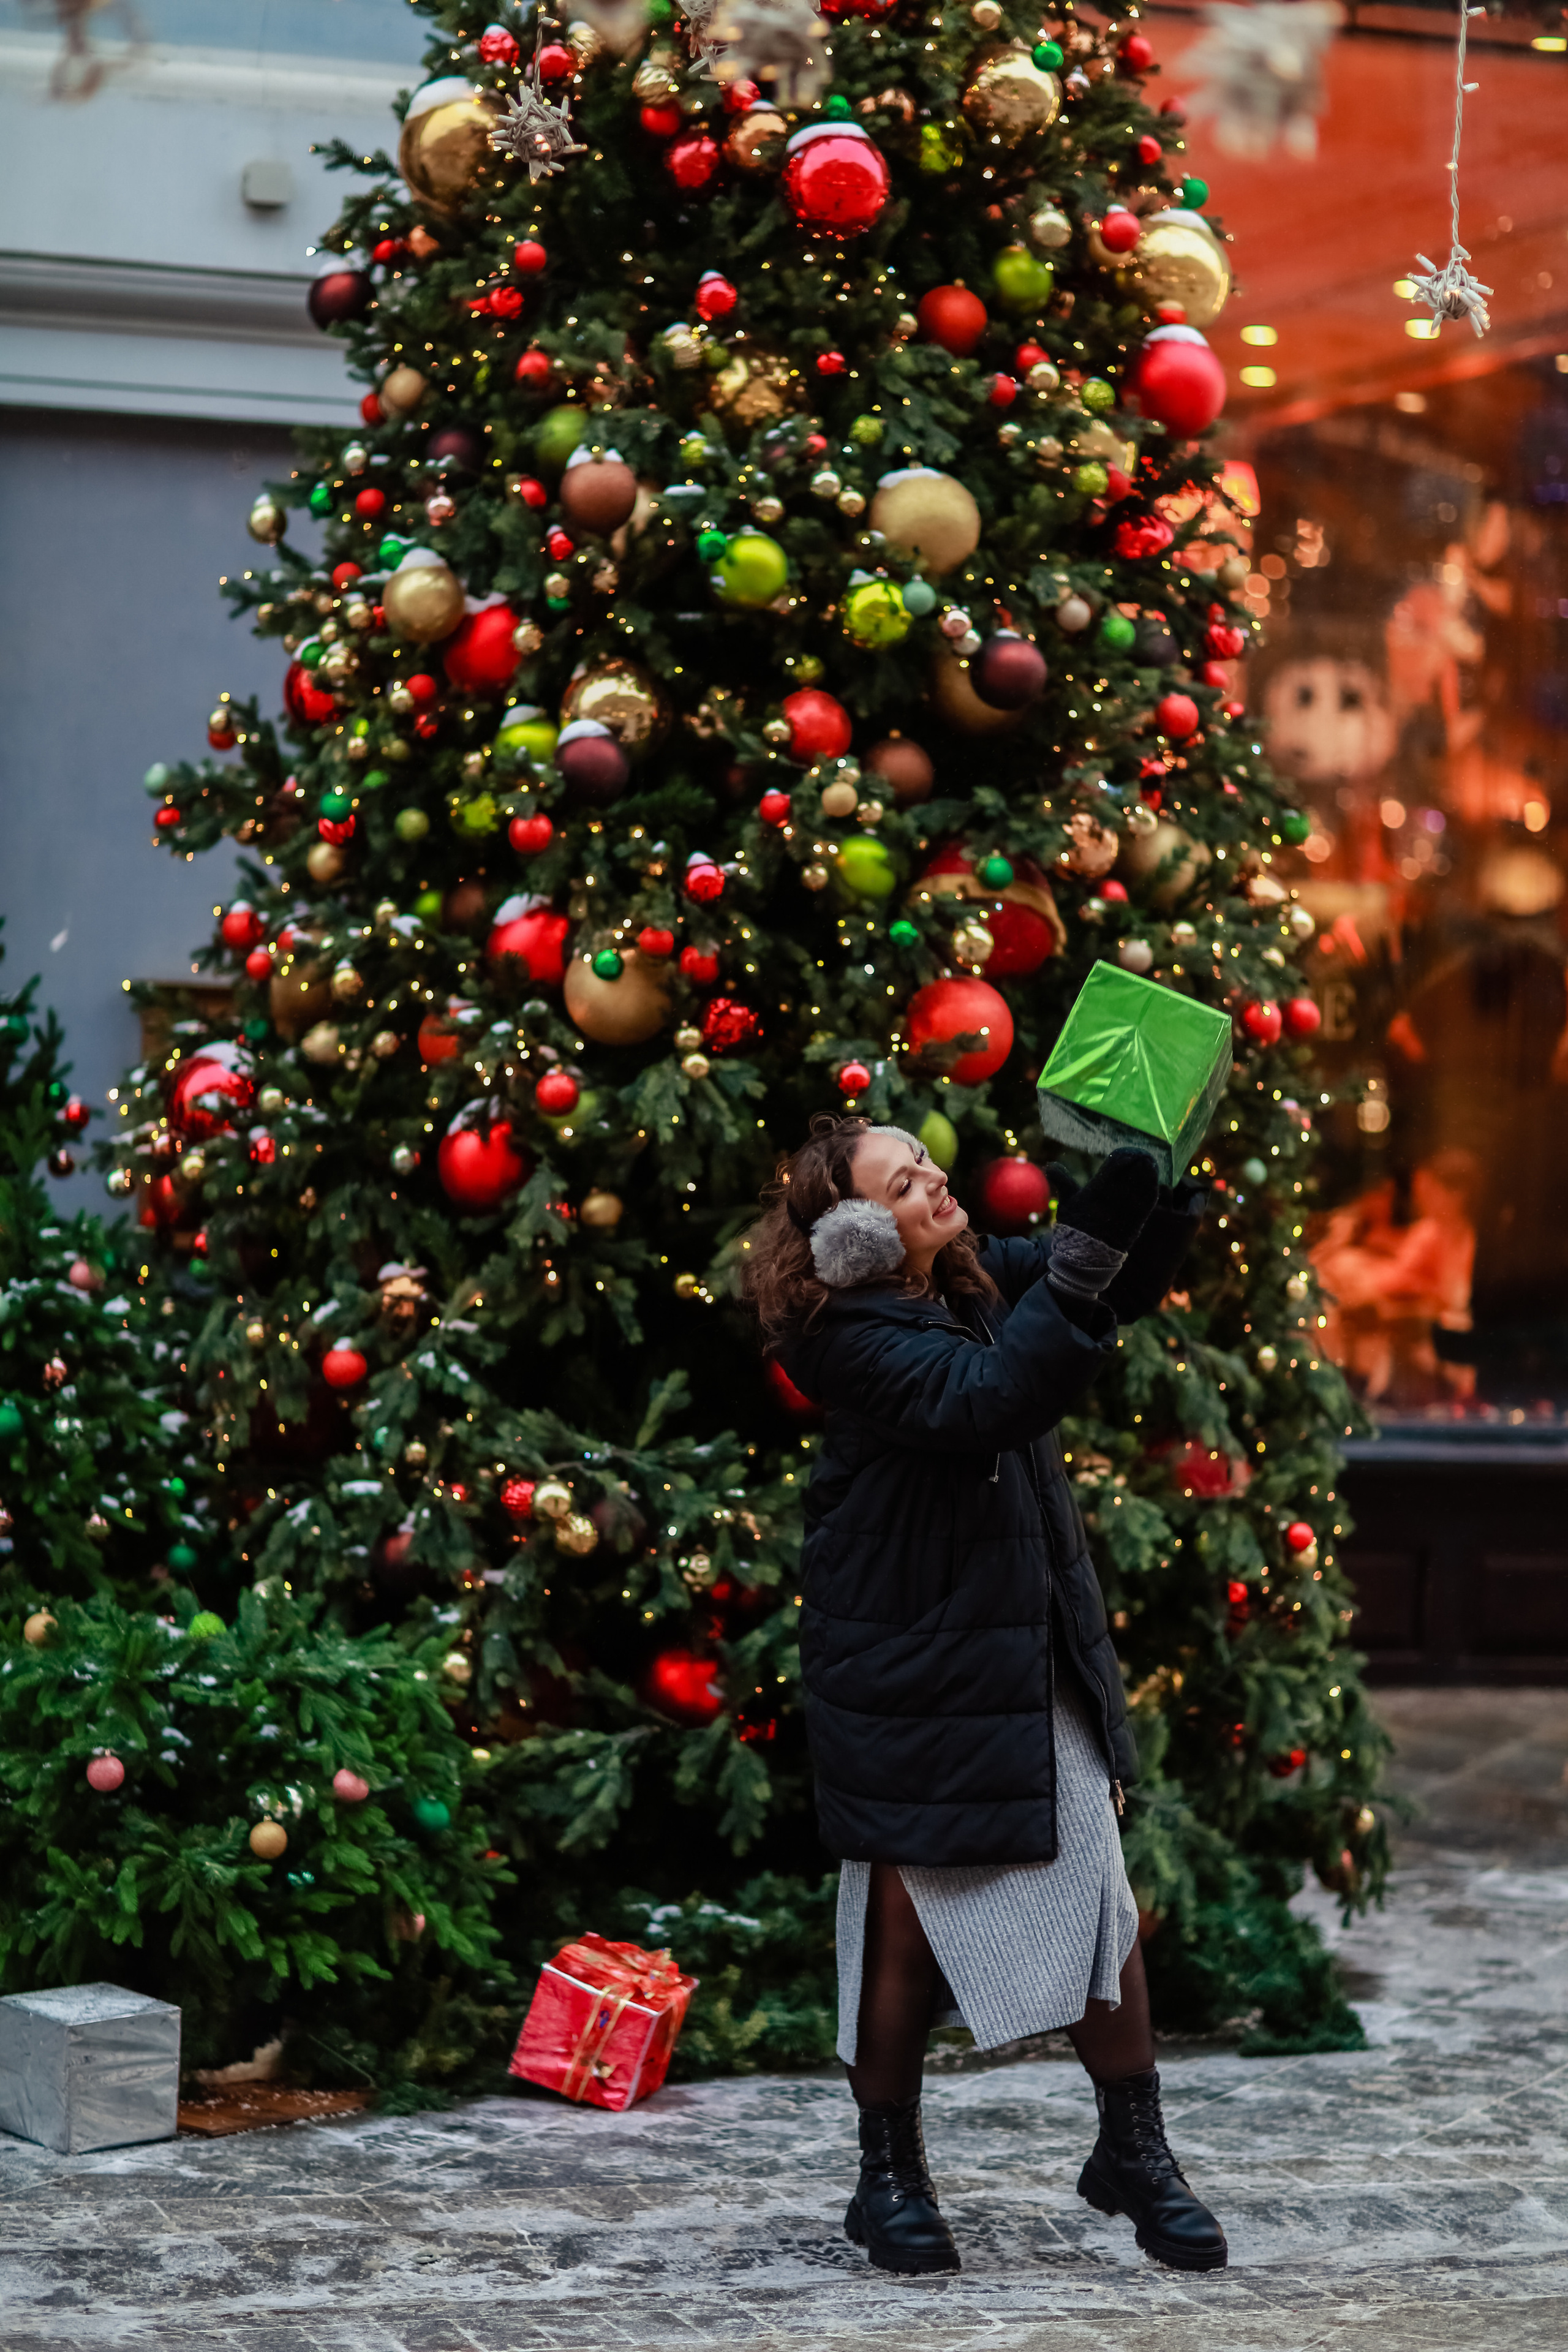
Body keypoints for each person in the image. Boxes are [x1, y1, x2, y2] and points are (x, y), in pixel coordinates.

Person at [741, 1113, 1224, 2277]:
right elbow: (996, 1395)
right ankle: (887, 2177)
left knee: (1098, 1889)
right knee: (902, 1916)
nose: (936, 1184)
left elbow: (1095, 1281)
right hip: (909, 1662)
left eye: (930, 1166)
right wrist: (1097, 1240)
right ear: (854, 1232)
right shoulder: (846, 1331)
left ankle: (1136, 2151)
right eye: (905, 1183)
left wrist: (1149, 1187)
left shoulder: (967, 1276)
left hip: (1021, 1641)